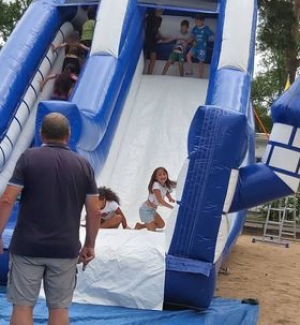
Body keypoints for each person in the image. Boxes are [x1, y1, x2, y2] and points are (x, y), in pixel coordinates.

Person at [0, 113, 101, 325]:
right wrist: (90, 244)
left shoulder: (28, 158)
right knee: (59, 309)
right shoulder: (83, 166)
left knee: (22, 306)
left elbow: (7, 199)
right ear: (69, 134)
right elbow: (94, 211)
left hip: (27, 246)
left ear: (41, 133)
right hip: (64, 248)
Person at [135, 167, 176, 231]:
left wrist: (170, 198)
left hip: (152, 210)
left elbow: (166, 191)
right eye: (160, 175)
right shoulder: (156, 186)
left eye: (164, 174)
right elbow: (161, 201)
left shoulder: (163, 184)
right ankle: (149, 225)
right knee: (152, 231)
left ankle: (140, 226)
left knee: (161, 225)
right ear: (156, 178)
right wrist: (172, 208)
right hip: (145, 210)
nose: (162, 176)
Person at [144, 8, 164, 75]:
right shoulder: (150, 16)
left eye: (161, 11)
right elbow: (145, 26)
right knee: (145, 56)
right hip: (147, 38)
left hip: (153, 39)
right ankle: (146, 72)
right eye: (159, 10)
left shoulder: (160, 19)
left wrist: (161, 37)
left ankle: (149, 73)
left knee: (153, 57)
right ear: (155, 10)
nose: (160, 12)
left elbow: (156, 30)